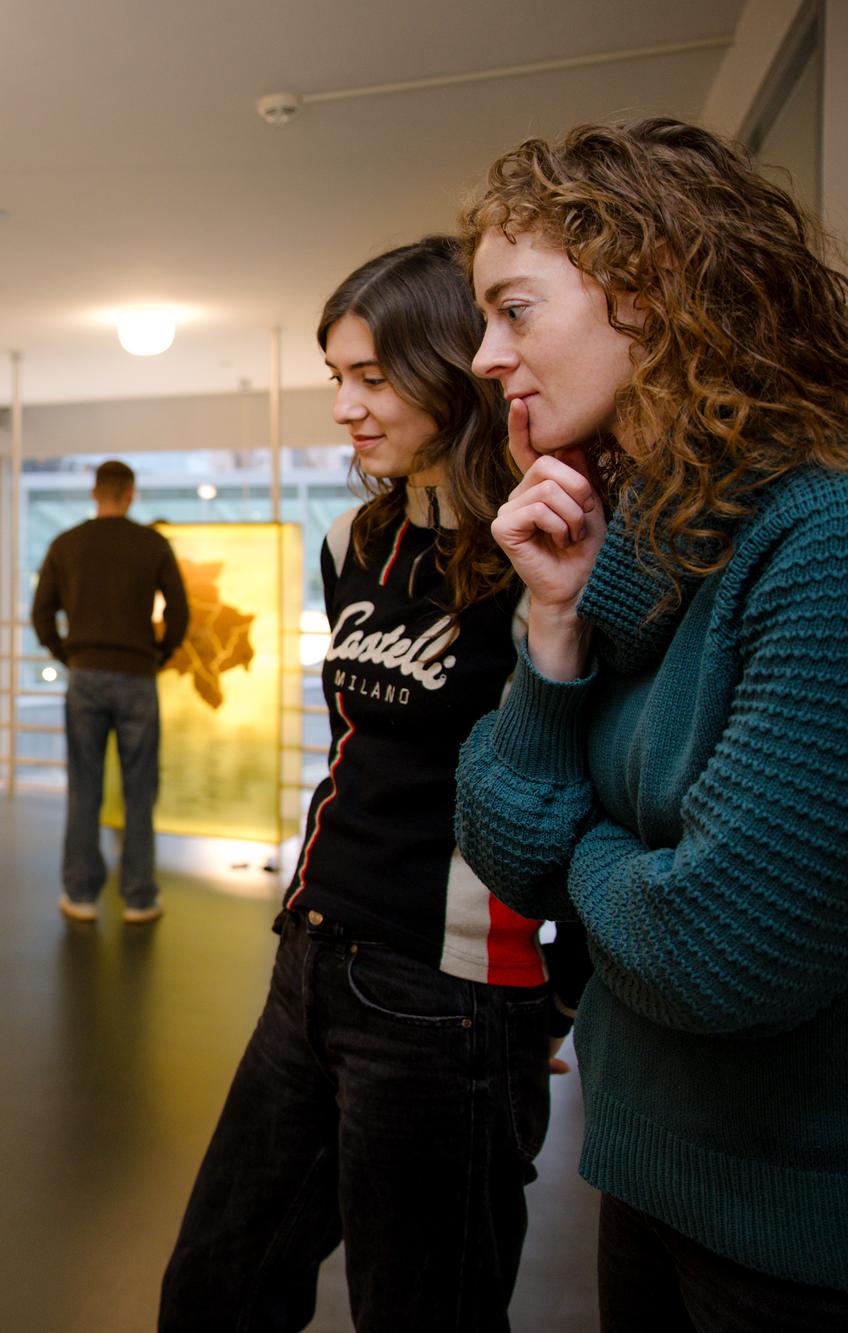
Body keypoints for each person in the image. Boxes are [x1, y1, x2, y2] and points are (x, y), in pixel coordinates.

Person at [453, 118, 848, 1329]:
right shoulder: (642, 551)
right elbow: (498, 842)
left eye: (512, 310)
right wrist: (553, 624)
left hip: (791, 1233)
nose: (481, 355)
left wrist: (585, 854)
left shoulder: (817, 544)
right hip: (649, 1172)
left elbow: (718, 950)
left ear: (652, 286)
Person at [158, 237, 590, 1332]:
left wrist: (563, 986)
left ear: (453, 366)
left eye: (373, 376)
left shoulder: (549, 548)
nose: (347, 407)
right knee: (213, 1288)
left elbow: (580, 767)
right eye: (334, 378)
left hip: (445, 996)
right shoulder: (363, 534)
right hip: (311, 957)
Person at [31, 459, 188, 923]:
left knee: (85, 787)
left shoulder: (66, 544)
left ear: (94, 493)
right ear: (131, 494)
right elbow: (179, 612)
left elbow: (41, 615)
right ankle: (139, 897)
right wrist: (159, 654)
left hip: (85, 676)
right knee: (140, 790)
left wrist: (67, 654)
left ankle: (80, 895)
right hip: (137, 676)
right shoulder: (152, 544)